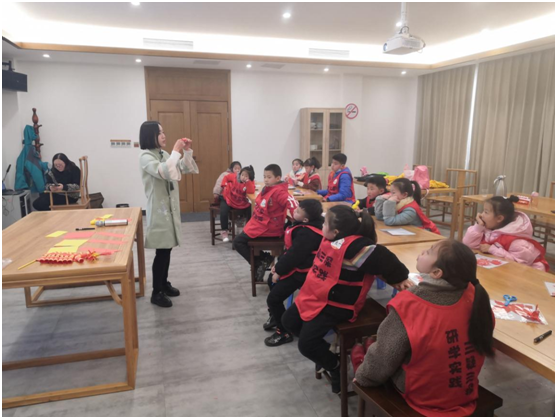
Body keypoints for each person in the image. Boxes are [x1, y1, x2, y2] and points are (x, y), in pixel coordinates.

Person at [354, 240, 495, 417]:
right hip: (464, 390)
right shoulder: (476, 297)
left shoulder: (410, 304)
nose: (422, 251)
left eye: (429, 251)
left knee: (364, 353)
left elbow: (385, 356)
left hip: (424, 396)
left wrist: (364, 377)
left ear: (436, 273)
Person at [282, 206, 412, 393]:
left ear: (336, 231)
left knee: (306, 345)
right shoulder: (330, 240)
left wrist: (400, 277)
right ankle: (324, 351)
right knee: (288, 321)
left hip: (338, 305)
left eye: (325, 223)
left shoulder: (356, 249)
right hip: (316, 296)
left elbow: (385, 259)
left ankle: (335, 366)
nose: (321, 225)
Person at [139, 121, 199, 308]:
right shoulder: (145, 156)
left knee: (167, 249)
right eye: (160, 133)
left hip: (169, 209)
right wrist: (175, 150)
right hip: (159, 210)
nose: (164, 135)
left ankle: (164, 284)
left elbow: (183, 168)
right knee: (162, 251)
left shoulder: (163, 154)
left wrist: (186, 152)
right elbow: (164, 171)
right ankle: (156, 292)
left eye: (163, 132)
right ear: (150, 135)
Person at [264, 199, 324, 347]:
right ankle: (276, 316)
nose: (294, 211)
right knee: (271, 280)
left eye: (297, 211)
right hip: (297, 265)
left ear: (306, 220)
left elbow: (295, 256)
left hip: (304, 272)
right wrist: (278, 266)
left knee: (273, 298)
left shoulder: (308, 234)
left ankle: (283, 332)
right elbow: (291, 251)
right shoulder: (302, 225)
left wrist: (279, 270)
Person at [233, 164, 299, 281]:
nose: (266, 180)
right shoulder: (269, 188)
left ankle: (259, 262)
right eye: (264, 177)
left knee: (238, 242)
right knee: (239, 241)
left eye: (269, 177)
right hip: (260, 224)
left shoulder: (279, 192)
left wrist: (297, 216)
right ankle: (262, 260)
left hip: (269, 228)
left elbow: (292, 202)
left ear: (278, 178)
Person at [463, 195, 549, 271]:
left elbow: (519, 264)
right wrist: (478, 227)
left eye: (486, 212)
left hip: (531, 274)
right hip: (506, 270)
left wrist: (492, 249)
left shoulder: (516, 241)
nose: (481, 215)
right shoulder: (488, 229)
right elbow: (469, 245)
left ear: (499, 218)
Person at [375, 178, 440, 234]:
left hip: (425, 235)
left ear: (405, 195)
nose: (390, 195)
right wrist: (380, 199)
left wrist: (389, 203)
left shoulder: (410, 210)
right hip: (408, 232)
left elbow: (389, 221)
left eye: (393, 193)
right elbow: (380, 217)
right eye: (390, 192)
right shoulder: (399, 202)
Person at [220, 165, 255, 242]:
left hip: (241, 201)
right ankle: (224, 231)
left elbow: (251, 191)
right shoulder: (234, 176)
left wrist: (248, 182)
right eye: (242, 175)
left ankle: (248, 230)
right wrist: (224, 185)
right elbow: (226, 177)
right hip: (229, 198)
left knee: (251, 209)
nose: (243, 177)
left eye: (246, 176)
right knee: (223, 211)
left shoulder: (250, 182)